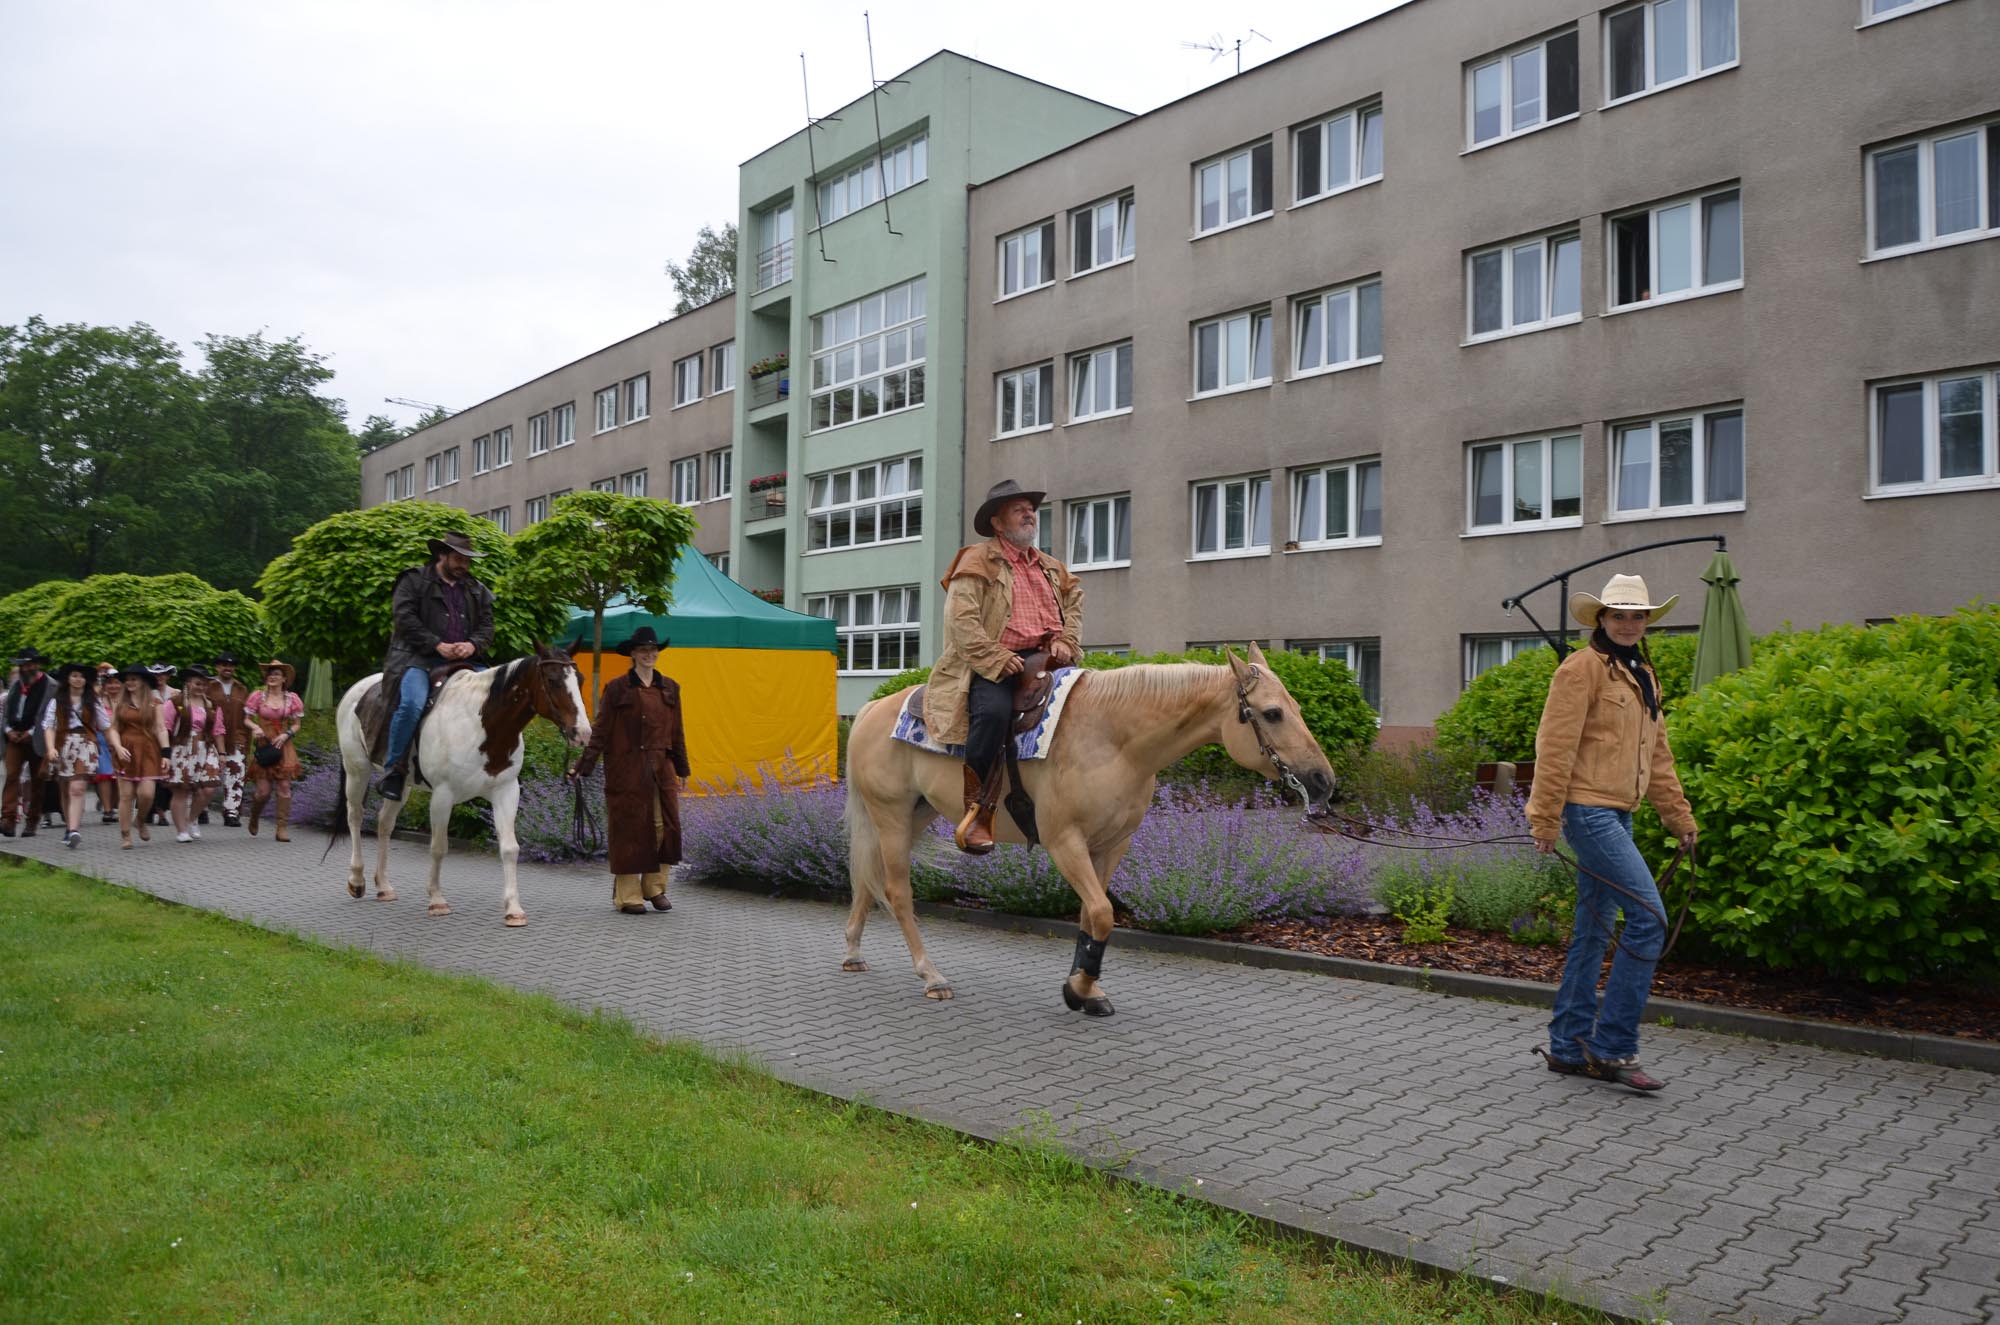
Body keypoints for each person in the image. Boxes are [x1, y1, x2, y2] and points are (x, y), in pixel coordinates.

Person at [1527, 573, 1699, 1093]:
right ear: (1600, 619)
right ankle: (1612, 1048)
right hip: (1588, 812)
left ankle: (1567, 1046)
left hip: (1620, 813)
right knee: (1649, 919)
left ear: (1647, 622)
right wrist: (1545, 817)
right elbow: (1554, 747)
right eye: (1618, 614)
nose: (1628, 623)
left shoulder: (1641, 673)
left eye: (1637, 615)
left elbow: (1659, 755)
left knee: (1594, 931)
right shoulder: (1581, 669)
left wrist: (1679, 817)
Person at [923, 479, 1083, 854]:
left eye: (1031, 508)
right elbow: (962, 622)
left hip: (1047, 659)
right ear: (997, 523)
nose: (1029, 514)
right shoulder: (977, 560)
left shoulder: (1049, 566)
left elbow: (1074, 601)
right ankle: (977, 808)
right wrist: (996, 658)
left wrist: (1066, 641)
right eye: (1018, 509)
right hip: (992, 662)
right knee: (993, 715)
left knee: (1090, 706)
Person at [569, 627, 690, 914]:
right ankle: (628, 895)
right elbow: (601, 731)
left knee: (665, 828)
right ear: (633, 654)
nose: (649, 654)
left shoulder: (670, 687)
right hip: (627, 768)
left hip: (662, 768)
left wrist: (682, 767)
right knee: (630, 830)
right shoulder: (618, 687)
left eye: (653, 649)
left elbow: (677, 731)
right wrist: (583, 766)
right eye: (643, 650)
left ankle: (654, 888)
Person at [377, 530, 494, 802]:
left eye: (467, 560)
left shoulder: (476, 589)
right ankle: (394, 769)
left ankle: (493, 767)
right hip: (418, 659)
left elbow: (488, 626)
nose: (464, 565)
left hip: (467, 661)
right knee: (412, 705)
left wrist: (473, 645)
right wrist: (436, 645)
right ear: (442, 555)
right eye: (458, 559)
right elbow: (403, 618)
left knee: (498, 697)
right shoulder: (413, 581)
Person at [41, 663, 110, 849]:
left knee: (77, 788)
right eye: (74, 676)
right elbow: (49, 726)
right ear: (68, 679)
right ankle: (69, 826)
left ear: (86, 680)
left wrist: (117, 747)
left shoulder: (92, 701)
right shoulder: (57, 701)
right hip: (63, 743)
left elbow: (106, 726)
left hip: (86, 743)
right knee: (65, 788)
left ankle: (74, 830)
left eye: (81, 676)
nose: (78, 679)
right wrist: (50, 748)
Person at [161, 666, 226, 843]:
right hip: (182, 748)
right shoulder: (175, 702)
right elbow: (164, 729)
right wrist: (165, 753)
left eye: (205, 684)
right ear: (188, 683)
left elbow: (218, 730)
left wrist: (221, 754)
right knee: (181, 791)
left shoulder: (212, 704)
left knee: (208, 788)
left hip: (206, 748)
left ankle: (192, 819)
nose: (201, 687)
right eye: (198, 683)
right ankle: (181, 830)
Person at [243, 659, 304, 842]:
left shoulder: (292, 698)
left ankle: (281, 828)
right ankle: (254, 816)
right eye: (270, 674)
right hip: (264, 744)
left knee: (284, 787)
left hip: (283, 745)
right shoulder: (257, 696)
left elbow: (297, 724)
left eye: (277, 674)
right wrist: (255, 727)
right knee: (263, 791)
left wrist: (286, 735)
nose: (272, 677)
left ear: (284, 678)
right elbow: (246, 719)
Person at [111, 665, 169, 849]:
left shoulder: (154, 702)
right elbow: (112, 728)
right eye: (127, 679)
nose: (130, 683)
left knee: (147, 794)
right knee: (126, 795)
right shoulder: (120, 703)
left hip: (148, 750)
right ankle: (125, 835)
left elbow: (161, 728)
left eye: (134, 679)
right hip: (126, 749)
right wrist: (118, 746)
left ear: (143, 682)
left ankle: (141, 820)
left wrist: (166, 752)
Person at [3, 648, 53, 838]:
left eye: (30, 664)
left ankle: (32, 821)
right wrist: (8, 731)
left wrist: (32, 732)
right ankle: (8, 819)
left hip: (37, 738)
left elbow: (48, 715)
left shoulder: (50, 685)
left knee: (37, 780)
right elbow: (8, 712)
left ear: (37, 665)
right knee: (12, 776)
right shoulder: (16, 685)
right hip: (15, 736)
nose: (26, 668)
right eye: (23, 665)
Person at [209, 652, 251, 827]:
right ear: (217, 667)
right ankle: (202, 809)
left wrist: (247, 740)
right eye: (224, 665)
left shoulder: (241, 689)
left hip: (237, 735)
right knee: (209, 772)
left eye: (231, 665)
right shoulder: (208, 686)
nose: (228, 668)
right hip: (211, 736)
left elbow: (247, 715)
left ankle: (231, 811)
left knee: (235, 772)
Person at [92, 662, 120, 823]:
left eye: (116, 683)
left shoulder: (125, 700)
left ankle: (116, 806)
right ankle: (108, 809)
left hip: (121, 741)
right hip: (101, 740)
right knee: (104, 775)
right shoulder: (98, 700)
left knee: (118, 775)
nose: (113, 686)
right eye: (110, 683)